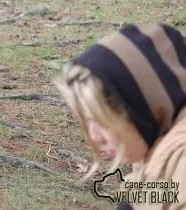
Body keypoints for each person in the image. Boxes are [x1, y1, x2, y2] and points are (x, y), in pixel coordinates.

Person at [54, 24, 186, 209]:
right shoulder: (152, 141)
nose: (94, 137)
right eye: (88, 121)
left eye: (101, 120)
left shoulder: (181, 160)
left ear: (139, 106)